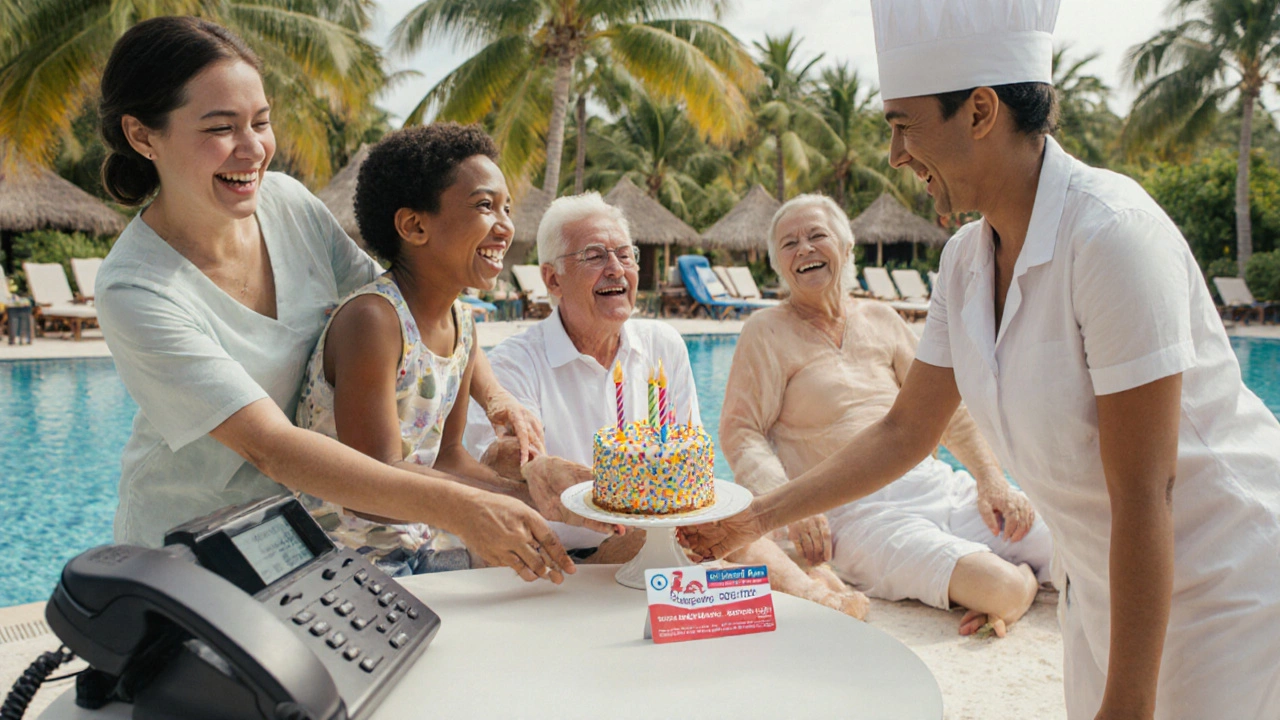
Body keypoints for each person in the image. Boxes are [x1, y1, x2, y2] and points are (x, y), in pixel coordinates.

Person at [684, 1, 1280, 717]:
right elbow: (905, 432)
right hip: (1105, 581)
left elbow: (1145, 492)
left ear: (979, 112)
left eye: (904, 125)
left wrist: (1126, 705)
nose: (896, 153)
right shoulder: (967, 258)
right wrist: (755, 518)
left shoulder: (1113, 239)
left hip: (1222, 580)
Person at [93, 16, 571, 583]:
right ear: (143, 135)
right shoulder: (137, 288)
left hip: (306, 540)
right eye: (221, 127)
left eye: (261, 122)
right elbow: (271, 447)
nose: (252, 150)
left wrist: (499, 404)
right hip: (195, 553)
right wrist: (464, 508)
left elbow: (415, 308)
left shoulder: (287, 204)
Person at [464, 192, 870, 618]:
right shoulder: (515, 362)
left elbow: (688, 464)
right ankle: (811, 594)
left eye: (625, 254)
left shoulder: (662, 345)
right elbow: (492, 463)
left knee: (716, 524)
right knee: (678, 536)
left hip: (657, 535)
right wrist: (537, 468)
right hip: (564, 565)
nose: (616, 269)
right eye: (595, 256)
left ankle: (809, 593)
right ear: (552, 279)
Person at [722, 193, 1052, 636]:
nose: (804, 248)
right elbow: (742, 431)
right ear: (778, 264)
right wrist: (789, 506)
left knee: (1075, 543)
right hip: (858, 514)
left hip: (934, 487)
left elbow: (943, 410)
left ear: (845, 246)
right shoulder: (765, 332)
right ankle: (1019, 583)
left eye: (817, 235)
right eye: (788, 243)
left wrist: (990, 479)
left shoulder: (881, 317)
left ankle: (999, 570)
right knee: (1002, 588)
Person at [294, 123, 557, 576]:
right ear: (415, 226)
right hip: (340, 570)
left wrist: (541, 498)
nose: (506, 226)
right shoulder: (374, 321)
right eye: (484, 206)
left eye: (507, 209)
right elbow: (377, 483)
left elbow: (448, 455)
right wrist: (488, 507)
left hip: (414, 554)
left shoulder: (463, 323)